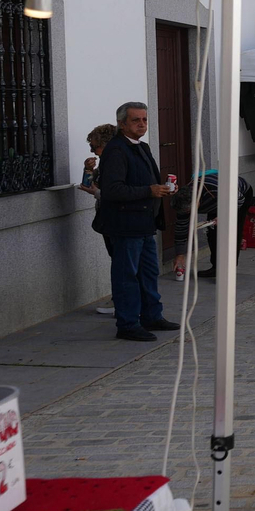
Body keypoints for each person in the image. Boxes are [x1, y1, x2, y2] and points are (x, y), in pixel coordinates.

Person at [96, 102, 180, 342]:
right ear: (122, 124)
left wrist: (162, 190)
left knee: (148, 273)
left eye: (144, 119)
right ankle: (128, 323)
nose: (142, 124)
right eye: (136, 120)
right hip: (125, 224)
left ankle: (152, 315)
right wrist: (148, 191)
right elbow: (112, 190)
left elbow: (147, 183)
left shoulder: (142, 147)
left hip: (145, 223)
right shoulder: (116, 150)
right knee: (126, 276)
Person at [171, 169, 253, 280]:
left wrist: (225, 216)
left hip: (240, 196)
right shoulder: (183, 202)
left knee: (231, 233)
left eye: (191, 210)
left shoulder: (215, 190)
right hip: (216, 202)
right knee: (212, 231)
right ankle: (216, 267)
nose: (190, 213)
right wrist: (179, 254)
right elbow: (181, 228)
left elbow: (239, 199)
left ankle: (228, 273)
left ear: (197, 200)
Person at [80, 123, 118, 316]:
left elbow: (116, 195)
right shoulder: (105, 163)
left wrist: (97, 193)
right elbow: (88, 184)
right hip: (106, 217)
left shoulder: (115, 162)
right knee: (117, 259)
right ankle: (119, 300)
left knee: (121, 261)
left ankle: (120, 301)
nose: (92, 150)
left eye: (94, 146)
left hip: (115, 218)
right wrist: (87, 170)